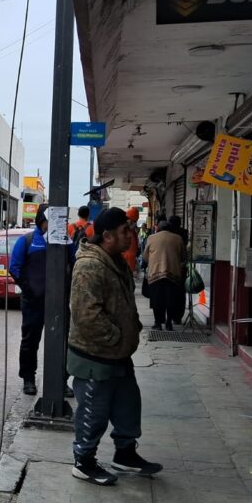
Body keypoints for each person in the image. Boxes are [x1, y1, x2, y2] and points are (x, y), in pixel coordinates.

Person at [68, 207, 162, 486]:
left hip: (118, 355)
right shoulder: (89, 265)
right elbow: (86, 315)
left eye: (130, 230)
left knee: (128, 407)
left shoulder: (115, 260)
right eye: (124, 231)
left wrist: (131, 330)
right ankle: (84, 462)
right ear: (107, 236)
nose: (130, 236)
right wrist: (116, 337)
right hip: (95, 356)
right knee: (93, 412)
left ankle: (125, 454)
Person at [9, 204, 48, 396]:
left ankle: (60, 380)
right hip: (33, 302)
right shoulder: (27, 241)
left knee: (62, 341)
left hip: (57, 302)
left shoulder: (64, 241)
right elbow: (14, 268)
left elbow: (74, 263)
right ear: (42, 220)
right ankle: (28, 378)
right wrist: (29, 289)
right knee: (30, 341)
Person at [142, 220, 185, 331]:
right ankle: (169, 323)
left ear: (158, 229)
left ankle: (158, 323)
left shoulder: (151, 238)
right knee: (171, 299)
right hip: (173, 274)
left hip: (155, 274)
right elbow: (183, 256)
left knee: (156, 300)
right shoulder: (178, 238)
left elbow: (145, 256)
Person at [167, 215, 189, 324]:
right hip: (181, 267)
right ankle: (178, 317)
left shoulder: (169, 234)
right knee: (180, 292)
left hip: (169, 267)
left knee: (169, 292)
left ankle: (169, 317)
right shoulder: (184, 233)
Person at [122, 207, 141, 274]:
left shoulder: (132, 232)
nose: (135, 223)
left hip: (130, 262)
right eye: (134, 221)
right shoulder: (126, 231)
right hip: (127, 263)